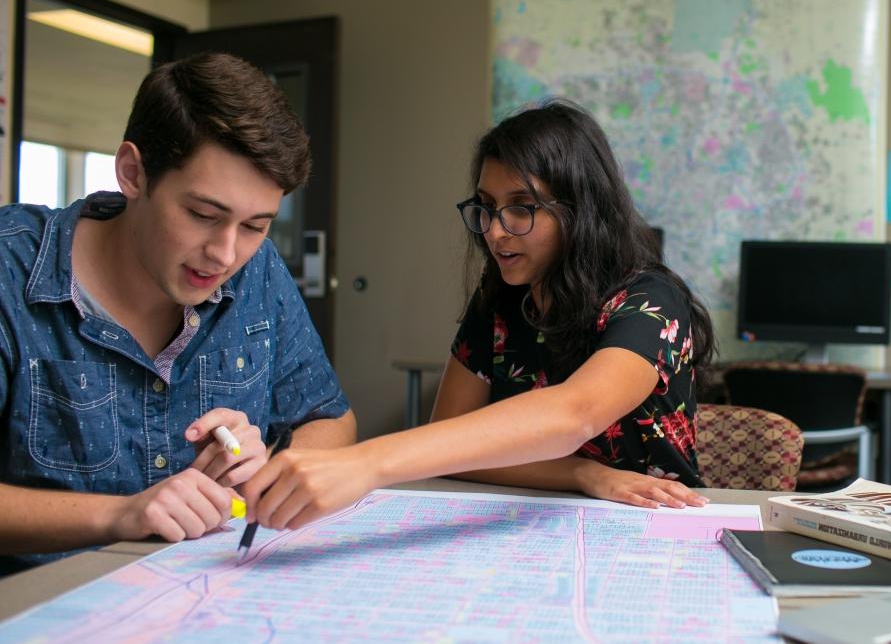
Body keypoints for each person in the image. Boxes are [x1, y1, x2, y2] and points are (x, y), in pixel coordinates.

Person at [241, 100, 715, 531]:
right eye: (486, 208)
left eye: (521, 209)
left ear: (581, 210)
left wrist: (366, 463)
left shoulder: (651, 300)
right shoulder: (500, 298)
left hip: (655, 524)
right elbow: (452, 439)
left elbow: (577, 412)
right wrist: (584, 473)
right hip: (530, 517)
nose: (494, 232)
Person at [0, 53, 356, 575]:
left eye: (256, 225)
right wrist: (122, 515)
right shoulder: (10, 270)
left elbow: (332, 421)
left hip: (210, 597)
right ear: (132, 173)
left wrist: (272, 470)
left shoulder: (254, 272)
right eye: (203, 215)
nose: (226, 255)